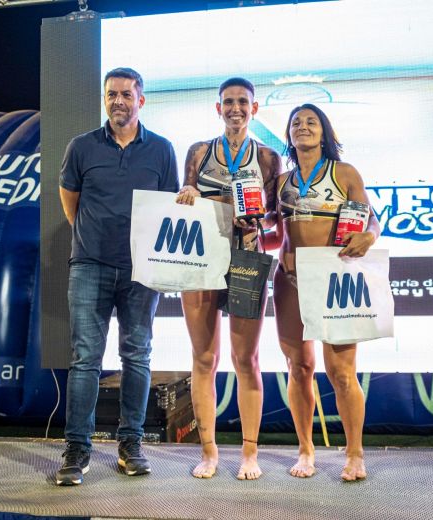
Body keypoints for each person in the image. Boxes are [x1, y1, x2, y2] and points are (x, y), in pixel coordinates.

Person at [55, 67, 179, 485]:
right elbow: (70, 204)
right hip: (89, 264)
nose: (118, 101)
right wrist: (95, 241)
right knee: (85, 359)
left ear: (140, 100)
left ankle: (131, 444)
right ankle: (77, 449)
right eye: (112, 94)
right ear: (104, 99)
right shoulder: (81, 147)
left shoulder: (161, 149)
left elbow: (169, 208)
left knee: (137, 355)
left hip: (142, 269)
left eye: (126, 94)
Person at [175, 77, 282, 480]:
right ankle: (209, 452)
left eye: (243, 102)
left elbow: (275, 216)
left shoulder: (269, 157)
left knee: (246, 360)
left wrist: (256, 218)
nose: (235, 108)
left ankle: (250, 454)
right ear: (217, 109)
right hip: (200, 261)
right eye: (228, 102)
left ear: (254, 109)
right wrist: (189, 194)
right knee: (204, 358)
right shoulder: (199, 151)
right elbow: (186, 192)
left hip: (248, 260)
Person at [272, 103, 380, 481]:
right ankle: (305, 450)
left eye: (311, 122)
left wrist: (369, 236)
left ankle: (355, 454)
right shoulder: (281, 182)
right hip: (289, 283)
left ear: (324, 131)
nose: (303, 127)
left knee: (341, 373)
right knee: (299, 369)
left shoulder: (344, 173)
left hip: (334, 279)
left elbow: (371, 221)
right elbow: (270, 231)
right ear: (288, 134)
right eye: (296, 123)